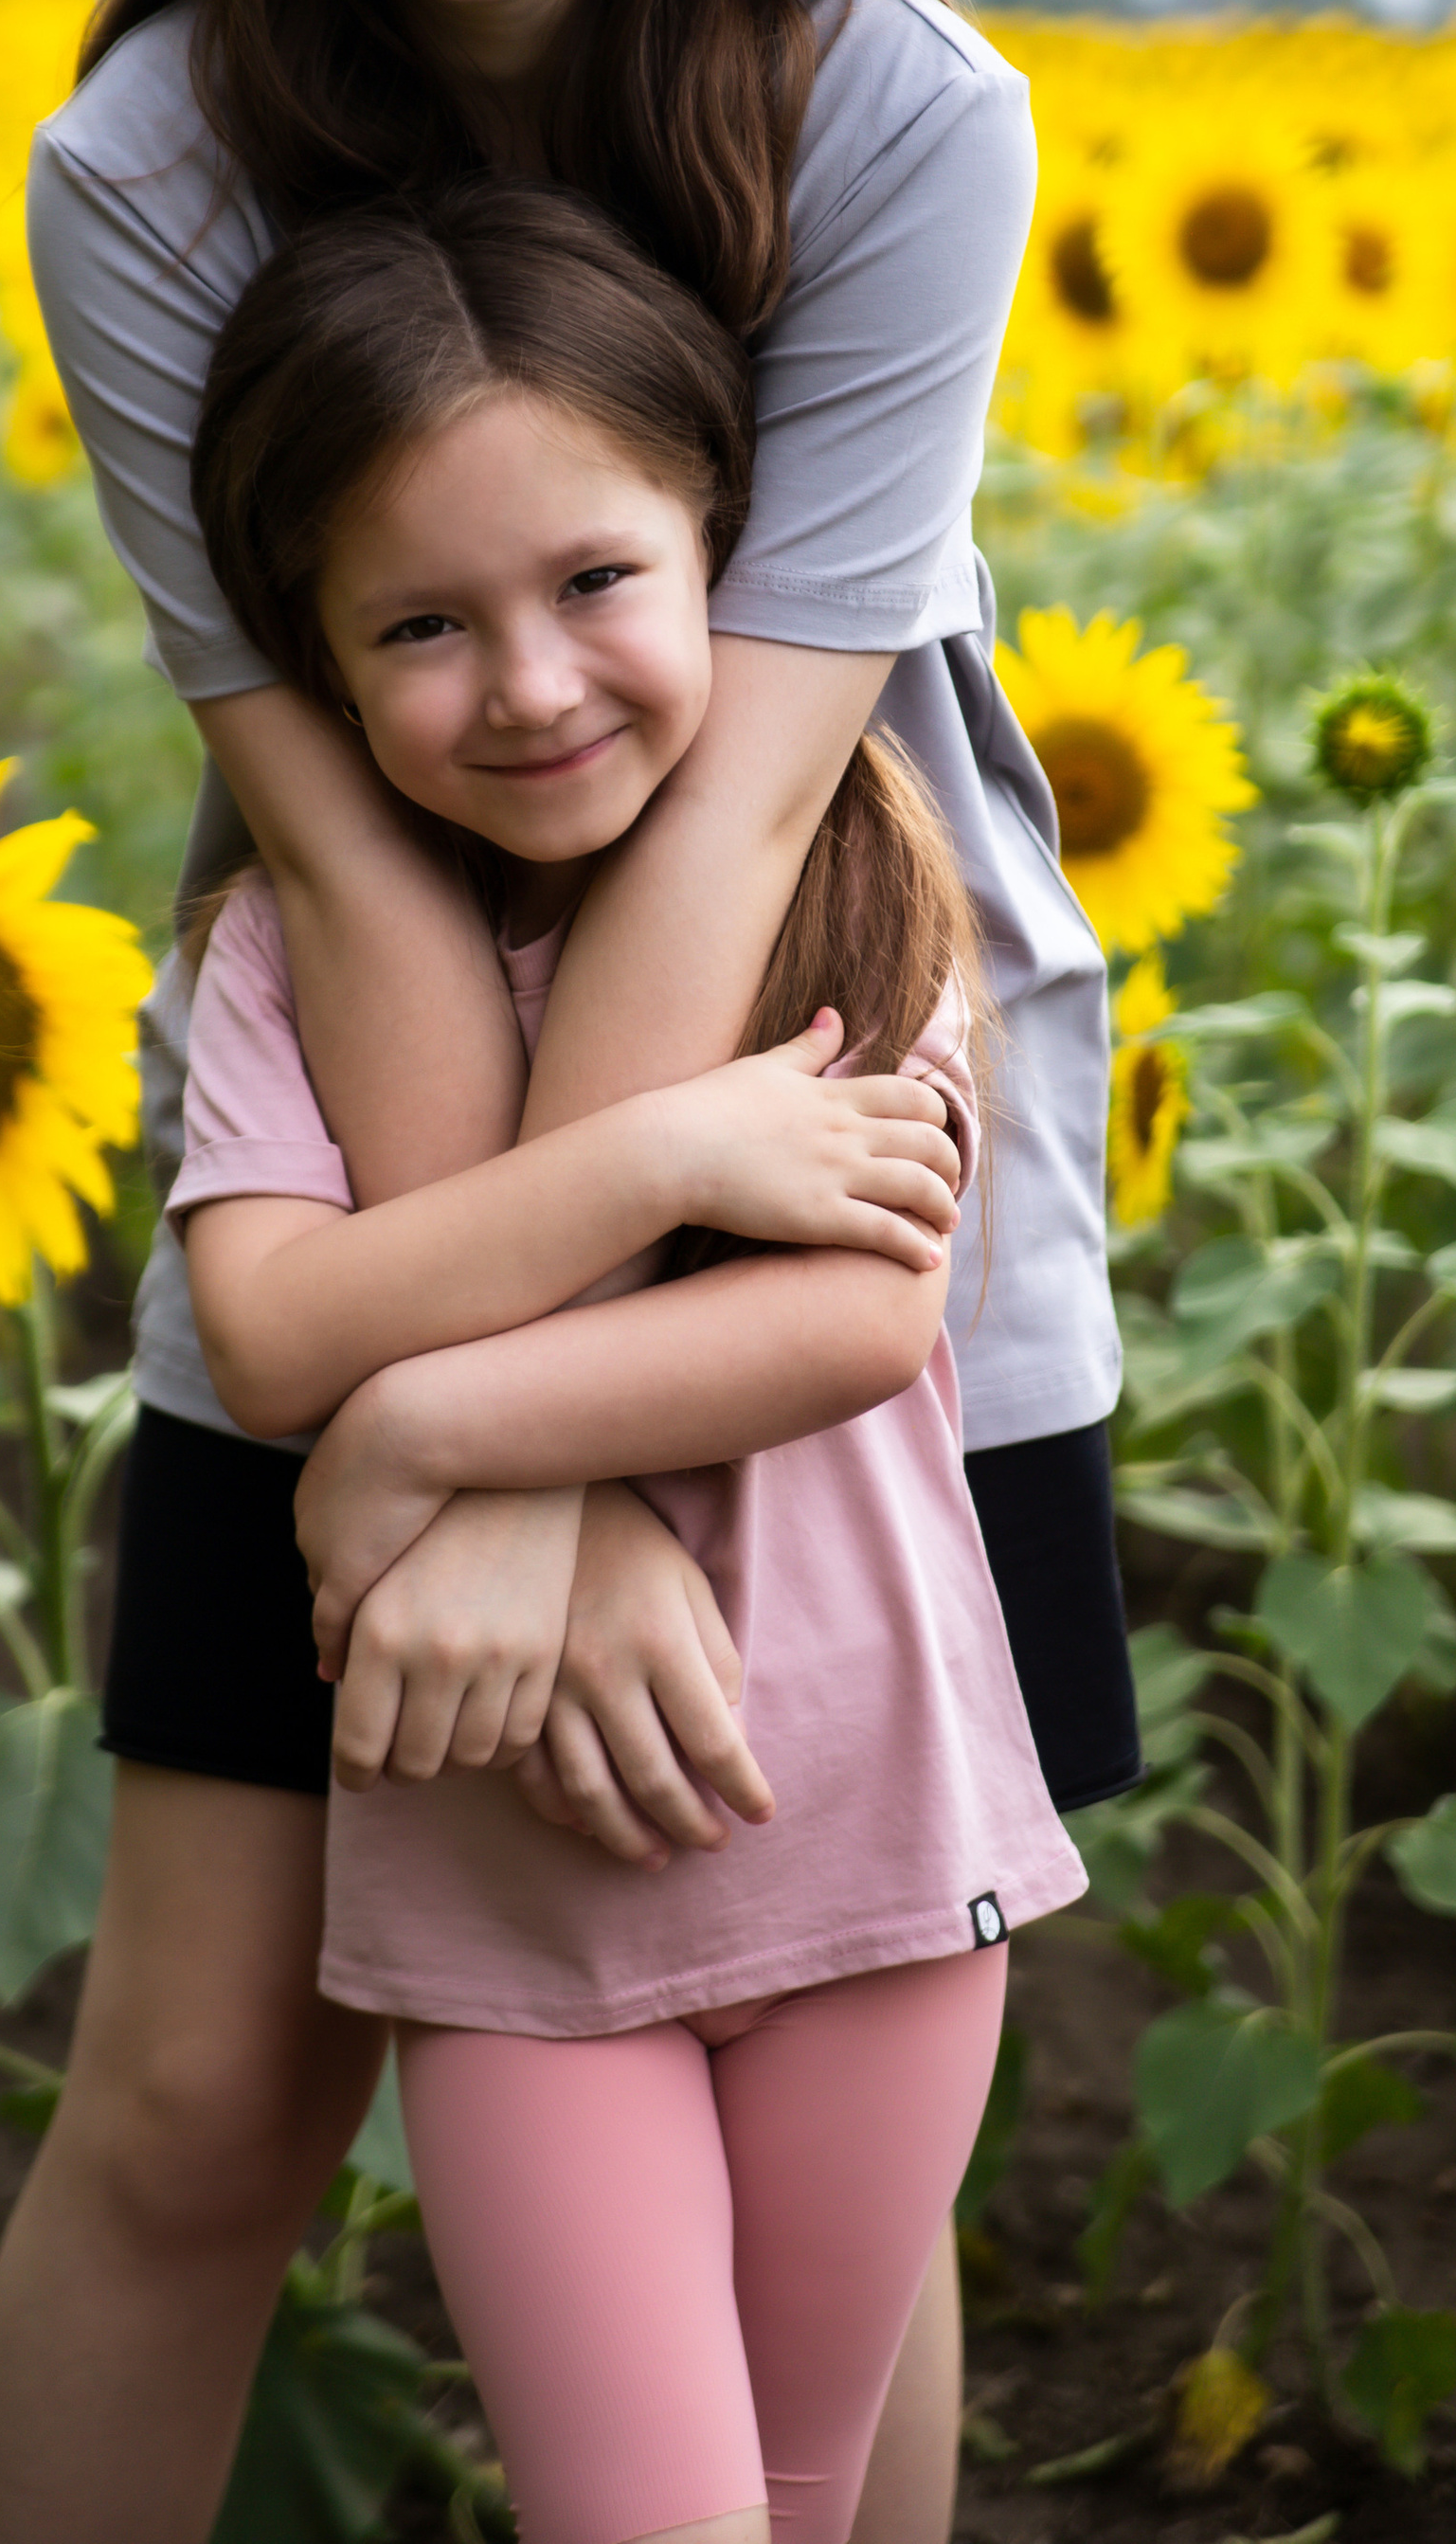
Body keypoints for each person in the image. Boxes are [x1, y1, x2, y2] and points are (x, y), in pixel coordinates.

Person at [0, 0, 1136, 2544]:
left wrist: (513, 1443)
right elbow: (336, 820)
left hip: (846, 1112)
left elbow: (743, 805)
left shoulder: (897, 115)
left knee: (824, 2066)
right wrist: (480, 1445)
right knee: (197, 2097)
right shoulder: (151, 166)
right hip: (356, 1131)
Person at [175, 181, 1088, 2544]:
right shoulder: (281, 954)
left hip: (871, 1858)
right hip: (511, 1915)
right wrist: (664, 1149)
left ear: (719, 545)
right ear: (316, 660)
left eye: (593, 579)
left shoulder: (847, 861)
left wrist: (419, 1427)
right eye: (419, 624)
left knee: (801, 2493)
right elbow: (266, 1329)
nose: (530, 683)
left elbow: (851, 1313)